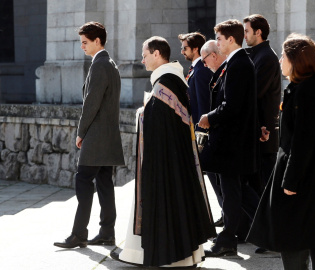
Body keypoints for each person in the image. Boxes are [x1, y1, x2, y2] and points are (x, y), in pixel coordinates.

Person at [110, 36, 216, 267]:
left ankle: (171, 256)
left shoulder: (166, 82)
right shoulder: (170, 79)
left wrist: (143, 113)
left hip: (166, 161)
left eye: (145, 54)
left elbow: (161, 122)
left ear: (157, 54)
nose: (142, 59)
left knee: (168, 201)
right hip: (174, 158)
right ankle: (146, 253)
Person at [247, 33, 315, 270]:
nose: (280, 61)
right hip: (311, 173)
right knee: (312, 235)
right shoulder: (311, 87)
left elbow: (303, 141)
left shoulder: (306, 91)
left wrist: (291, 181)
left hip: (302, 176)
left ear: (296, 59)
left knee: (294, 235)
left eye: (284, 56)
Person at [54, 21, 124, 249]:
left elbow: (91, 103)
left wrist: (80, 132)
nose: (82, 47)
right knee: (104, 183)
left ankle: (79, 234)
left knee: (83, 181)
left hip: (96, 136)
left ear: (97, 41)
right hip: (109, 136)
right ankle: (106, 232)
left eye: (85, 42)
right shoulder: (110, 64)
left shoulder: (100, 65)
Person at [198, 19, 260, 257]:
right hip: (232, 142)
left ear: (231, 40)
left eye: (220, 39)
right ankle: (268, 230)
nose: (218, 43)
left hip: (232, 142)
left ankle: (227, 239)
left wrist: (209, 118)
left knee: (232, 192)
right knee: (239, 192)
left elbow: (232, 105)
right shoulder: (236, 63)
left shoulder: (239, 64)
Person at [243, 14, 281, 195]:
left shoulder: (266, 57)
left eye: (247, 31)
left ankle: (271, 223)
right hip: (257, 133)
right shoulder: (256, 55)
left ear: (258, 32)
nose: (244, 35)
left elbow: (254, 93)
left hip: (264, 133)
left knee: (265, 188)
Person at [199, 40, 227, 227]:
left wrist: (208, 118)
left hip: (224, 135)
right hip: (216, 131)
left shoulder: (229, 69)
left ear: (213, 55)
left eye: (205, 59)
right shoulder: (219, 72)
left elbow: (229, 104)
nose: (204, 64)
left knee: (232, 188)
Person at [178, 32, 213, 132]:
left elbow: (203, 103)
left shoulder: (201, 70)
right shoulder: (196, 68)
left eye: (185, 48)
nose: (182, 52)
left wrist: (200, 131)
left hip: (200, 127)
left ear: (195, 48)